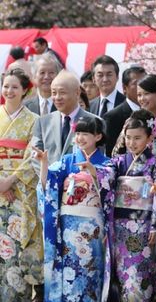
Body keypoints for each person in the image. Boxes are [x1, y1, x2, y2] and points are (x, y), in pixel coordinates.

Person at [34, 116, 111, 302]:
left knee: (90, 270)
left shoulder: (108, 163)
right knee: (68, 273)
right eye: (77, 133)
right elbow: (48, 188)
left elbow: (110, 192)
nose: (80, 138)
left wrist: (93, 173)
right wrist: (44, 163)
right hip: (68, 228)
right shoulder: (67, 161)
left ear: (98, 136)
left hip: (93, 228)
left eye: (85, 133)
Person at [98, 109, 156, 301]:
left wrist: (155, 225)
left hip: (143, 227)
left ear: (149, 137)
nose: (132, 142)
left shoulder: (155, 163)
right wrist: (92, 170)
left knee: (138, 275)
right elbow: (106, 177)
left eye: (137, 138)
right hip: (120, 227)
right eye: (128, 137)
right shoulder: (118, 161)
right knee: (122, 274)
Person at [0, 68, 43, 300]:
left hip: (21, 193)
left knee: (18, 252)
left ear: (25, 90)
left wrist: (10, 181)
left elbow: (32, 157)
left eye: (15, 86)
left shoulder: (34, 121)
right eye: (6, 86)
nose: (9, 91)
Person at [31, 71, 98, 167]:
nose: (57, 98)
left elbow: (97, 159)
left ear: (77, 93)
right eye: (54, 93)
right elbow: (35, 156)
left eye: (62, 93)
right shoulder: (43, 122)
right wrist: (50, 177)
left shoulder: (95, 122)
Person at [103, 66, 145, 155]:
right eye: (136, 83)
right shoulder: (113, 116)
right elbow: (110, 152)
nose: (141, 87)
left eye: (144, 82)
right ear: (124, 88)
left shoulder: (152, 112)